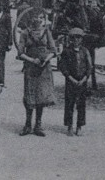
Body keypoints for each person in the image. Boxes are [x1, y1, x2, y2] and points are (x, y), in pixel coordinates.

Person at [16, 9, 57, 137]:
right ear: (30, 18)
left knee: (41, 95)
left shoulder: (46, 32)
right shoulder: (24, 33)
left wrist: (46, 59)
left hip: (44, 68)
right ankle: (27, 125)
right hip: (30, 67)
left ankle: (38, 125)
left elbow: (53, 50)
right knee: (30, 95)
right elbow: (20, 53)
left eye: (40, 17)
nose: (38, 20)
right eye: (35, 17)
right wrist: (32, 60)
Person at [58, 28, 92, 137]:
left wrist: (84, 78)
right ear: (70, 39)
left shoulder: (85, 51)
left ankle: (79, 126)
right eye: (74, 38)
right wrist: (70, 78)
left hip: (82, 81)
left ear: (82, 39)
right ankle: (69, 126)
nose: (76, 40)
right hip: (70, 81)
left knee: (81, 104)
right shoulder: (66, 51)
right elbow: (62, 66)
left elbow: (89, 66)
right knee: (69, 103)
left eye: (78, 38)